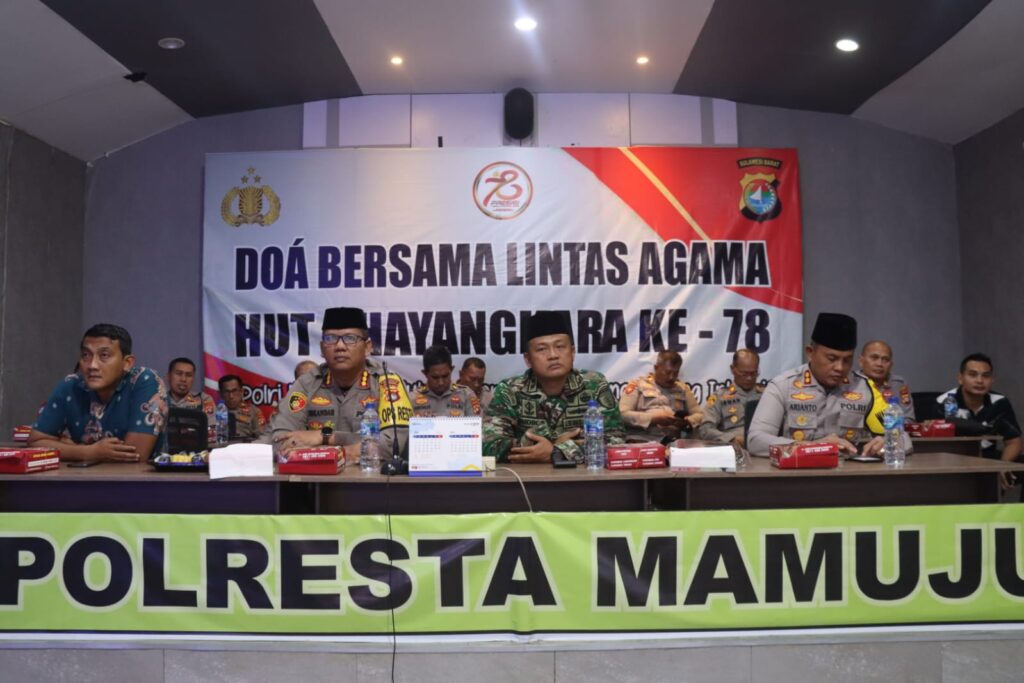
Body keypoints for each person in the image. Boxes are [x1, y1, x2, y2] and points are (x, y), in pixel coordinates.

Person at [747, 312, 907, 458]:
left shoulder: (864, 388)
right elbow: (755, 440)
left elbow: (903, 437)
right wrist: (812, 447)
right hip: (797, 473)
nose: (840, 368)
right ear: (810, 353)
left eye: (847, 360)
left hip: (848, 475)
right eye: (832, 359)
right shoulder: (783, 385)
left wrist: (888, 443)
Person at [483, 310, 624, 463]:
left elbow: (616, 441)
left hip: (581, 476)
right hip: (526, 476)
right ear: (528, 359)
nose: (553, 355)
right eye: (542, 349)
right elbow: (488, 445)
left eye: (560, 346)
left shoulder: (594, 385)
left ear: (572, 352)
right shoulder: (510, 390)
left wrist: (558, 451)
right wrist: (537, 447)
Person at [270, 307, 412, 457]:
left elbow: (394, 444)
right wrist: (349, 446)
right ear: (322, 348)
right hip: (316, 472)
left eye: (350, 338)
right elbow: (280, 439)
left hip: (369, 472)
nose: (340, 346)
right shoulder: (306, 384)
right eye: (330, 338)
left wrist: (327, 437)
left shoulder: (388, 383)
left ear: (367, 347)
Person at [28, 323, 167, 463]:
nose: (92, 365)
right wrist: (87, 452)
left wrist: (68, 448)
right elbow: (36, 442)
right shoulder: (71, 385)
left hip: (140, 477)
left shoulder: (145, 381)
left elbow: (133, 456)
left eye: (104, 355)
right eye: (86, 355)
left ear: (127, 363)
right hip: (79, 475)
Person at [936, 353, 1021, 474]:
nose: (980, 381)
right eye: (973, 375)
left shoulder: (999, 402)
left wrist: (1003, 467)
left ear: (992, 380)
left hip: (988, 459)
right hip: (953, 461)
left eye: (986, 376)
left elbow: (1014, 442)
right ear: (960, 378)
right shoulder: (945, 401)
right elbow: (935, 445)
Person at [618, 350, 703, 442]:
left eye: (675, 373)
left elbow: (700, 415)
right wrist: (652, 419)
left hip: (672, 442)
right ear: (656, 368)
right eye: (667, 372)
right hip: (642, 440)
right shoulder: (637, 385)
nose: (671, 377)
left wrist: (687, 421)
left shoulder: (683, 389)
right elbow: (622, 414)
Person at [698, 349, 763, 447]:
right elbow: (705, 429)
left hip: (762, 448)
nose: (749, 378)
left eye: (753, 373)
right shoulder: (719, 397)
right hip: (732, 448)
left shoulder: (767, 395)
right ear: (733, 369)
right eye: (744, 373)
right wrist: (731, 439)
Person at [412, 346, 481, 417]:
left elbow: (476, 423)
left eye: (445, 376)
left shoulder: (466, 395)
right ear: (425, 373)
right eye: (435, 377)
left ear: (452, 369)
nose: (441, 382)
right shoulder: (412, 398)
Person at [858, 340, 915, 423]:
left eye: (885, 360)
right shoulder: (851, 384)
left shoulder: (899, 385)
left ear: (891, 365)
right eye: (874, 358)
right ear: (861, 361)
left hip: (891, 430)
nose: (879, 364)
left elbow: (908, 419)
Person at [217, 375, 266, 440]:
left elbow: (263, 437)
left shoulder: (254, 412)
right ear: (220, 394)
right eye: (227, 392)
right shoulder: (214, 413)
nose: (231, 396)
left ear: (241, 391)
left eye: (234, 391)